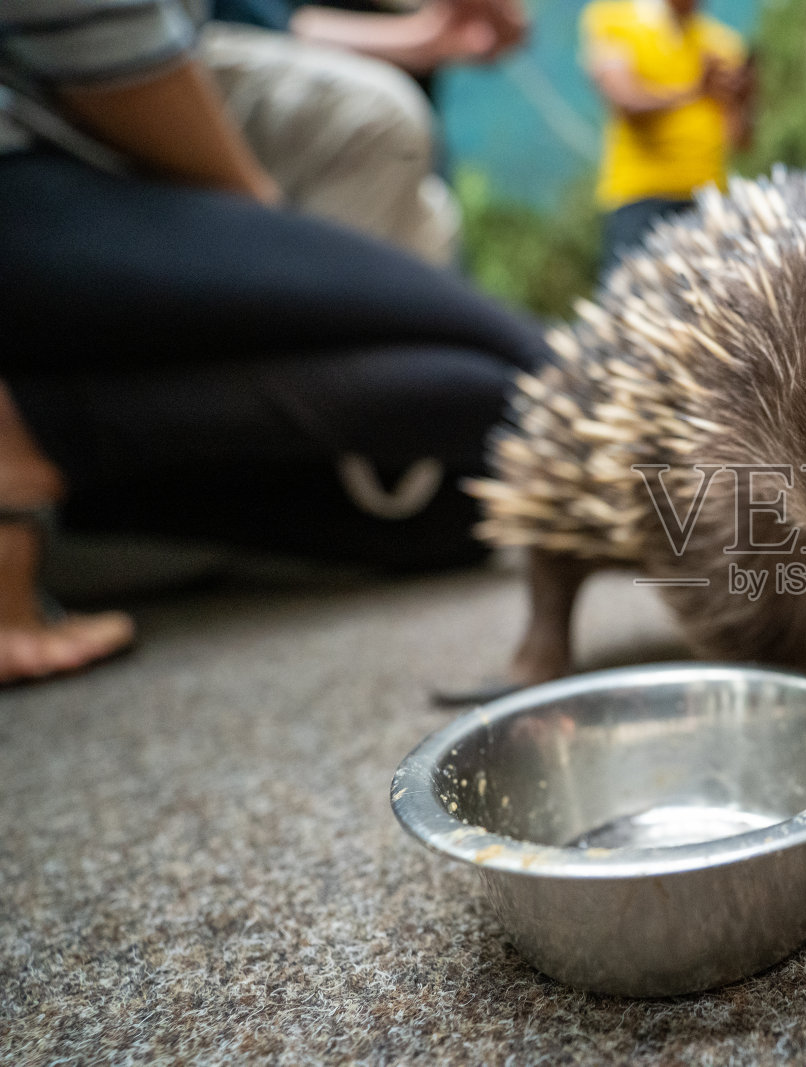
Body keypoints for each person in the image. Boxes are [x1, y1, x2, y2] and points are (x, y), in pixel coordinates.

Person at [0, 0, 551, 684]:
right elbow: (98, 43)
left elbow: (235, 16)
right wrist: (273, 250)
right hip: (31, 172)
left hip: (101, 147)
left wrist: (416, 37)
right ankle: (22, 454)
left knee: (458, 497)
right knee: (527, 368)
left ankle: (59, 445)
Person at [199, 0, 527, 264]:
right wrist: (421, 38)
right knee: (383, 126)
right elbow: (255, 28)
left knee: (437, 223)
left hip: (410, 162)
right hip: (268, 142)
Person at [581, 0, 753, 273]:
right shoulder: (613, 21)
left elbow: (741, 139)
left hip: (708, 200)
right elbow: (627, 103)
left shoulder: (722, 42)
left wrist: (741, 101)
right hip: (639, 198)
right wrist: (694, 91)